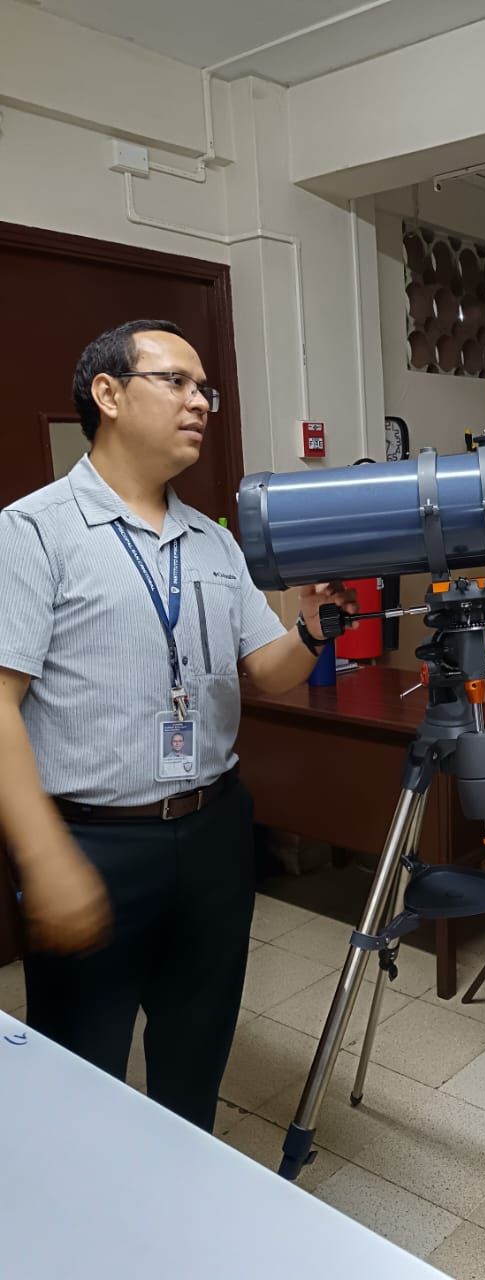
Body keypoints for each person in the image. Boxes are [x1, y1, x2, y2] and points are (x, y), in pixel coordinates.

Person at [0, 319, 353, 1132]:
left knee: (197, 1056)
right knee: (78, 1072)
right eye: (178, 383)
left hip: (214, 833)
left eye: (207, 390)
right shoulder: (35, 531)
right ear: (110, 394)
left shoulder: (213, 541)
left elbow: (267, 673)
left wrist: (310, 627)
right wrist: (45, 857)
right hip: (94, 841)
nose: (201, 402)